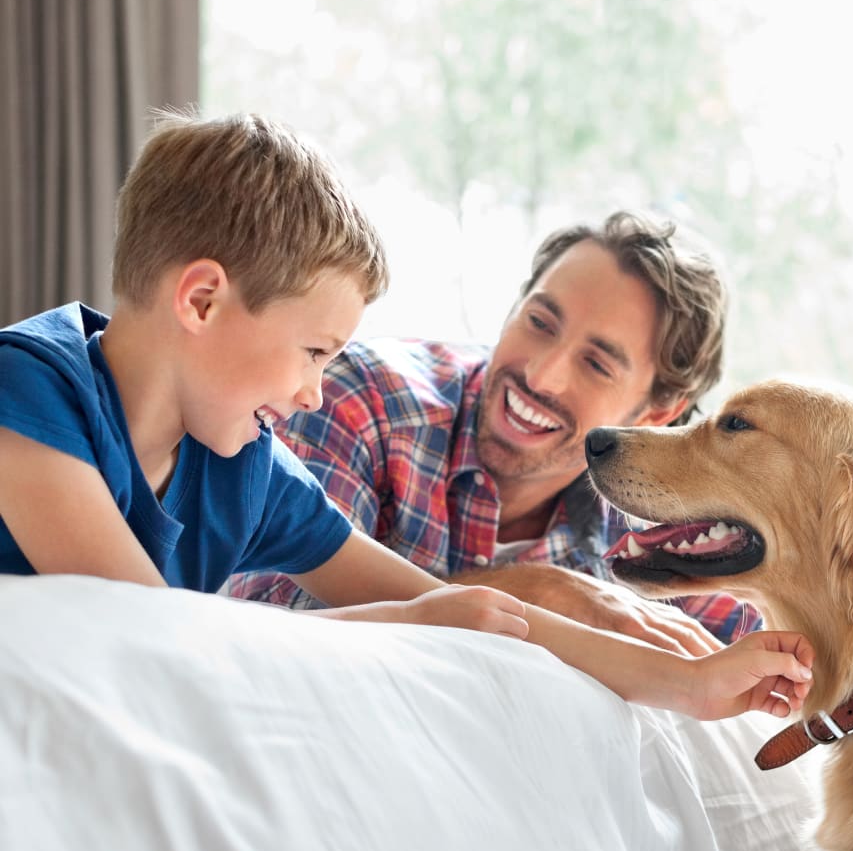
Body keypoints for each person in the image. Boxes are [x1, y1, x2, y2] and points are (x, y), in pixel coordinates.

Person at [0, 110, 812, 721]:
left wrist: (691, 684)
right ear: (203, 300)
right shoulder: (25, 390)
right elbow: (156, 640)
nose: (318, 390)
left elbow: (482, 613)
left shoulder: (245, 464)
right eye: (314, 351)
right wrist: (408, 621)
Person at [230, 211, 760, 654]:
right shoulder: (360, 399)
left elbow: (764, 670)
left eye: (596, 365)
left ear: (657, 412)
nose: (539, 375)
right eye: (540, 323)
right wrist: (540, 595)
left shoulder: (660, 530)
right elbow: (274, 631)